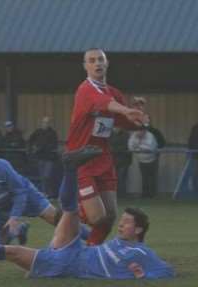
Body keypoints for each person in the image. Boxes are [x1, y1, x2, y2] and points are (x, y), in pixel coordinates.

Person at [0, 146, 174, 280]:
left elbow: (167, 272)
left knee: (17, 244)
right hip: (70, 247)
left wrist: (143, 274)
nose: (120, 226)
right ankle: (70, 167)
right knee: (67, 212)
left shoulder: (141, 252)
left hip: (58, 254)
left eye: (126, 223)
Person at [65, 48, 147, 245]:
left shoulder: (114, 93)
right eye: (92, 60)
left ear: (107, 63)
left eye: (100, 59)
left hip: (102, 158)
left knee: (109, 216)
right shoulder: (85, 90)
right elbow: (105, 103)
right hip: (81, 158)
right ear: (85, 67)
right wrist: (127, 109)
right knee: (96, 217)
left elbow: (124, 122)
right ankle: (67, 211)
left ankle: (91, 251)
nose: (97, 64)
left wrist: (139, 117)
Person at [28, 116, 59, 197]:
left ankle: (50, 193)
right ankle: (45, 193)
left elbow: (54, 145)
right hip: (40, 157)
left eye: (47, 122)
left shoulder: (53, 133)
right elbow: (30, 140)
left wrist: (41, 147)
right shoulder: (38, 132)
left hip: (49, 158)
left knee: (47, 176)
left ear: (49, 124)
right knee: (42, 177)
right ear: (42, 123)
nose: (45, 124)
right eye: (44, 122)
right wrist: (33, 148)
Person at [128, 128, 160, 198]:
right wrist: (141, 147)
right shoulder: (134, 135)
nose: (139, 133)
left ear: (144, 131)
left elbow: (150, 148)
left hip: (152, 160)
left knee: (152, 178)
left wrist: (138, 147)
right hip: (141, 160)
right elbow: (130, 147)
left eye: (141, 131)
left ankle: (153, 195)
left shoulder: (150, 136)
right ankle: (145, 194)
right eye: (138, 131)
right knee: (144, 178)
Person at [109, 127, 132, 198]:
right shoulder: (109, 134)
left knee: (122, 179)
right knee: (113, 179)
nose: (116, 128)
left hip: (124, 161)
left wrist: (114, 150)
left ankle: (121, 195)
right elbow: (108, 146)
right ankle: (115, 195)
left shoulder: (126, 134)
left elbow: (126, 146)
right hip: (113, 161)